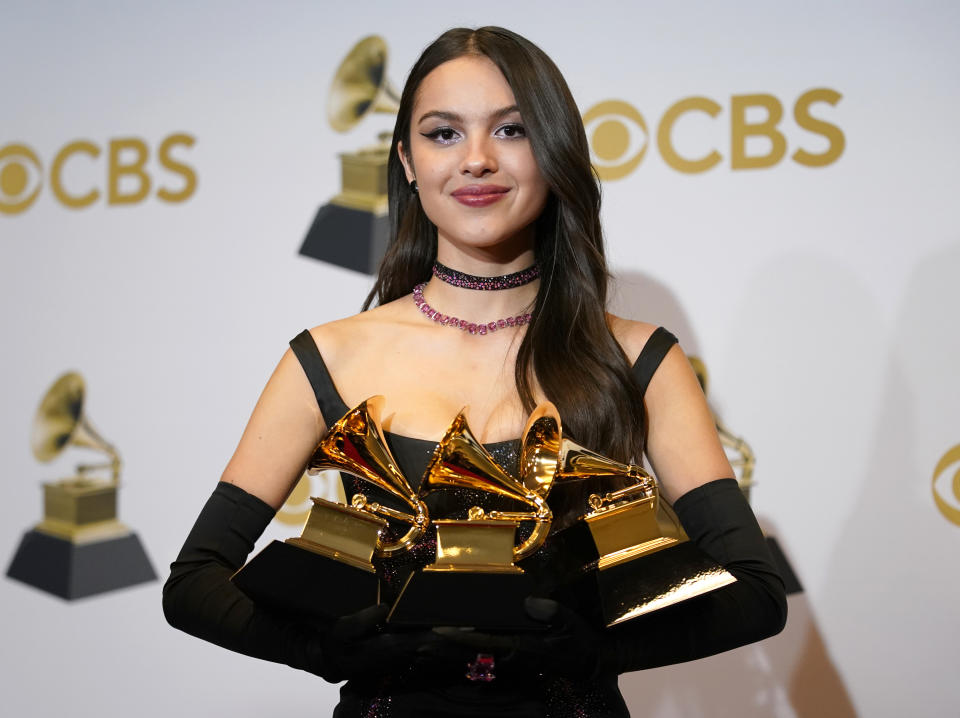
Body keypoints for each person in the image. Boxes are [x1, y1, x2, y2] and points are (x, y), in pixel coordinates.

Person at [163, 26, 787, 718]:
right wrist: (330, 654)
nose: (478, 160)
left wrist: (596, 652)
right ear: (405, 160)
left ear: (554, 152)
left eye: (512, 130)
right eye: (443, 134)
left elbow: (755, 592)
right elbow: (194, 583)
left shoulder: (639, 359)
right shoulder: (328, 357)